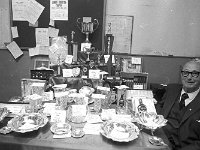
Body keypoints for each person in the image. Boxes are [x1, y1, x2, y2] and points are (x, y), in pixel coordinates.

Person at [156, 59, 200, 150]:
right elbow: (160, 107)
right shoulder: (171, 89)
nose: (189, 77)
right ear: (181, 74)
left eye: (195, 73)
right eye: (186, 73)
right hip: (158, 141)